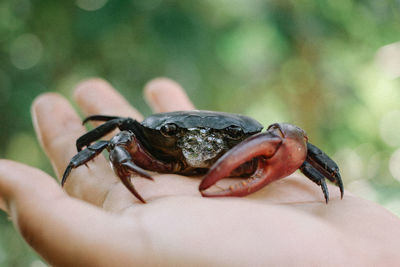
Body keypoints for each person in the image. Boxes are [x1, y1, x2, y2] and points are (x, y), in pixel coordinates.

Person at [0, 78, 400, 266]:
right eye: (178, 133)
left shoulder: (262, 142)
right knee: (117, 138)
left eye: (225, 137)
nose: (201, 145)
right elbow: (115, 138)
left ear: (247, 136)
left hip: (231, 152)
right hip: (162, 154)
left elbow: (295, 146)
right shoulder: (141, 140)